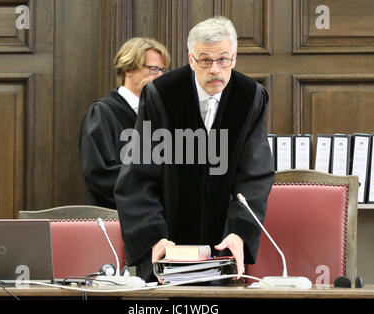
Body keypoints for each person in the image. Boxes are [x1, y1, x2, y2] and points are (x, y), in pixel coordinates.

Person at [114, 16, 275, 282]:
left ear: (234, 58)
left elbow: (255, 176)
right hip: (168, 251)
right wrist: (155, 238)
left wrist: (240, 233)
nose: (215, 69)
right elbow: (137, 177)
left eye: (223, 60)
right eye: (205, 60)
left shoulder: (251, 97)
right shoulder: (161, 94)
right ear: (191, 59)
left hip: (223, 249)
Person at [79, 37, 170, 209]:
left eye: (162, 71)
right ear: (129, 69)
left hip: (155, 218)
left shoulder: (159, 116)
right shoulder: (102, 113)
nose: (160, 76)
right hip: (116, 219)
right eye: (153, 69)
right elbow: (99, 173)